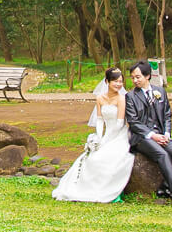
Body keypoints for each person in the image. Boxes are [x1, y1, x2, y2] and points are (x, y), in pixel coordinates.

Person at [51, 67, 135, 203]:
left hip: (119, 135)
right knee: (90, 158)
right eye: (115, 81)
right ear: (107, 82)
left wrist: (107, 140)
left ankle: (106, 190)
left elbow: (119, 124)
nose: (119, 84)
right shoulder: (100, 98)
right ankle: (84, 188)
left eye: (121, 82)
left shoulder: (122, 99)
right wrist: (98, 138)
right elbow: (100, 120)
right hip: (107, 134)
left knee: (106, 158)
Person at [125, 60, 172, 202]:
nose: (135, 80)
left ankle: (165, 187)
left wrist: (166, 134)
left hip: (161, 135)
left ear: (147, 76)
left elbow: (167, 114)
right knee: (163, 155)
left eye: (138, 77)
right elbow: (133, 122)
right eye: (132, 77)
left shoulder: (160, 92)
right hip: (141, 138)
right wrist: (153, 136)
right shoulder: (130, 96)